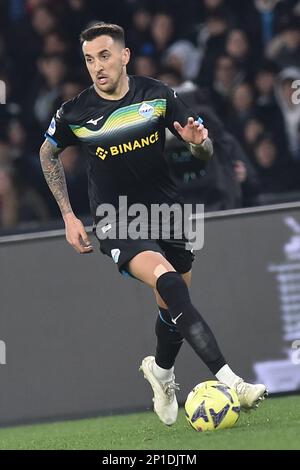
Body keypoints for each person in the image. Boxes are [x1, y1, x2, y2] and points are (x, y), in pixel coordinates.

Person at [40, 22, 267, 426]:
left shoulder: (158, 96)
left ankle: (161, 372)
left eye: (105, 56)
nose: (97, 67)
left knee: (173, 306)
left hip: (167, 213)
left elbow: (204, 152)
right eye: (89, 59)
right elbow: (47, 153)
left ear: (125, 55)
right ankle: (231, 380)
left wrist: (199, 143)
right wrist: (69, 215)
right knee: (169, 283)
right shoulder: (75, 111)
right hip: (115, 219)